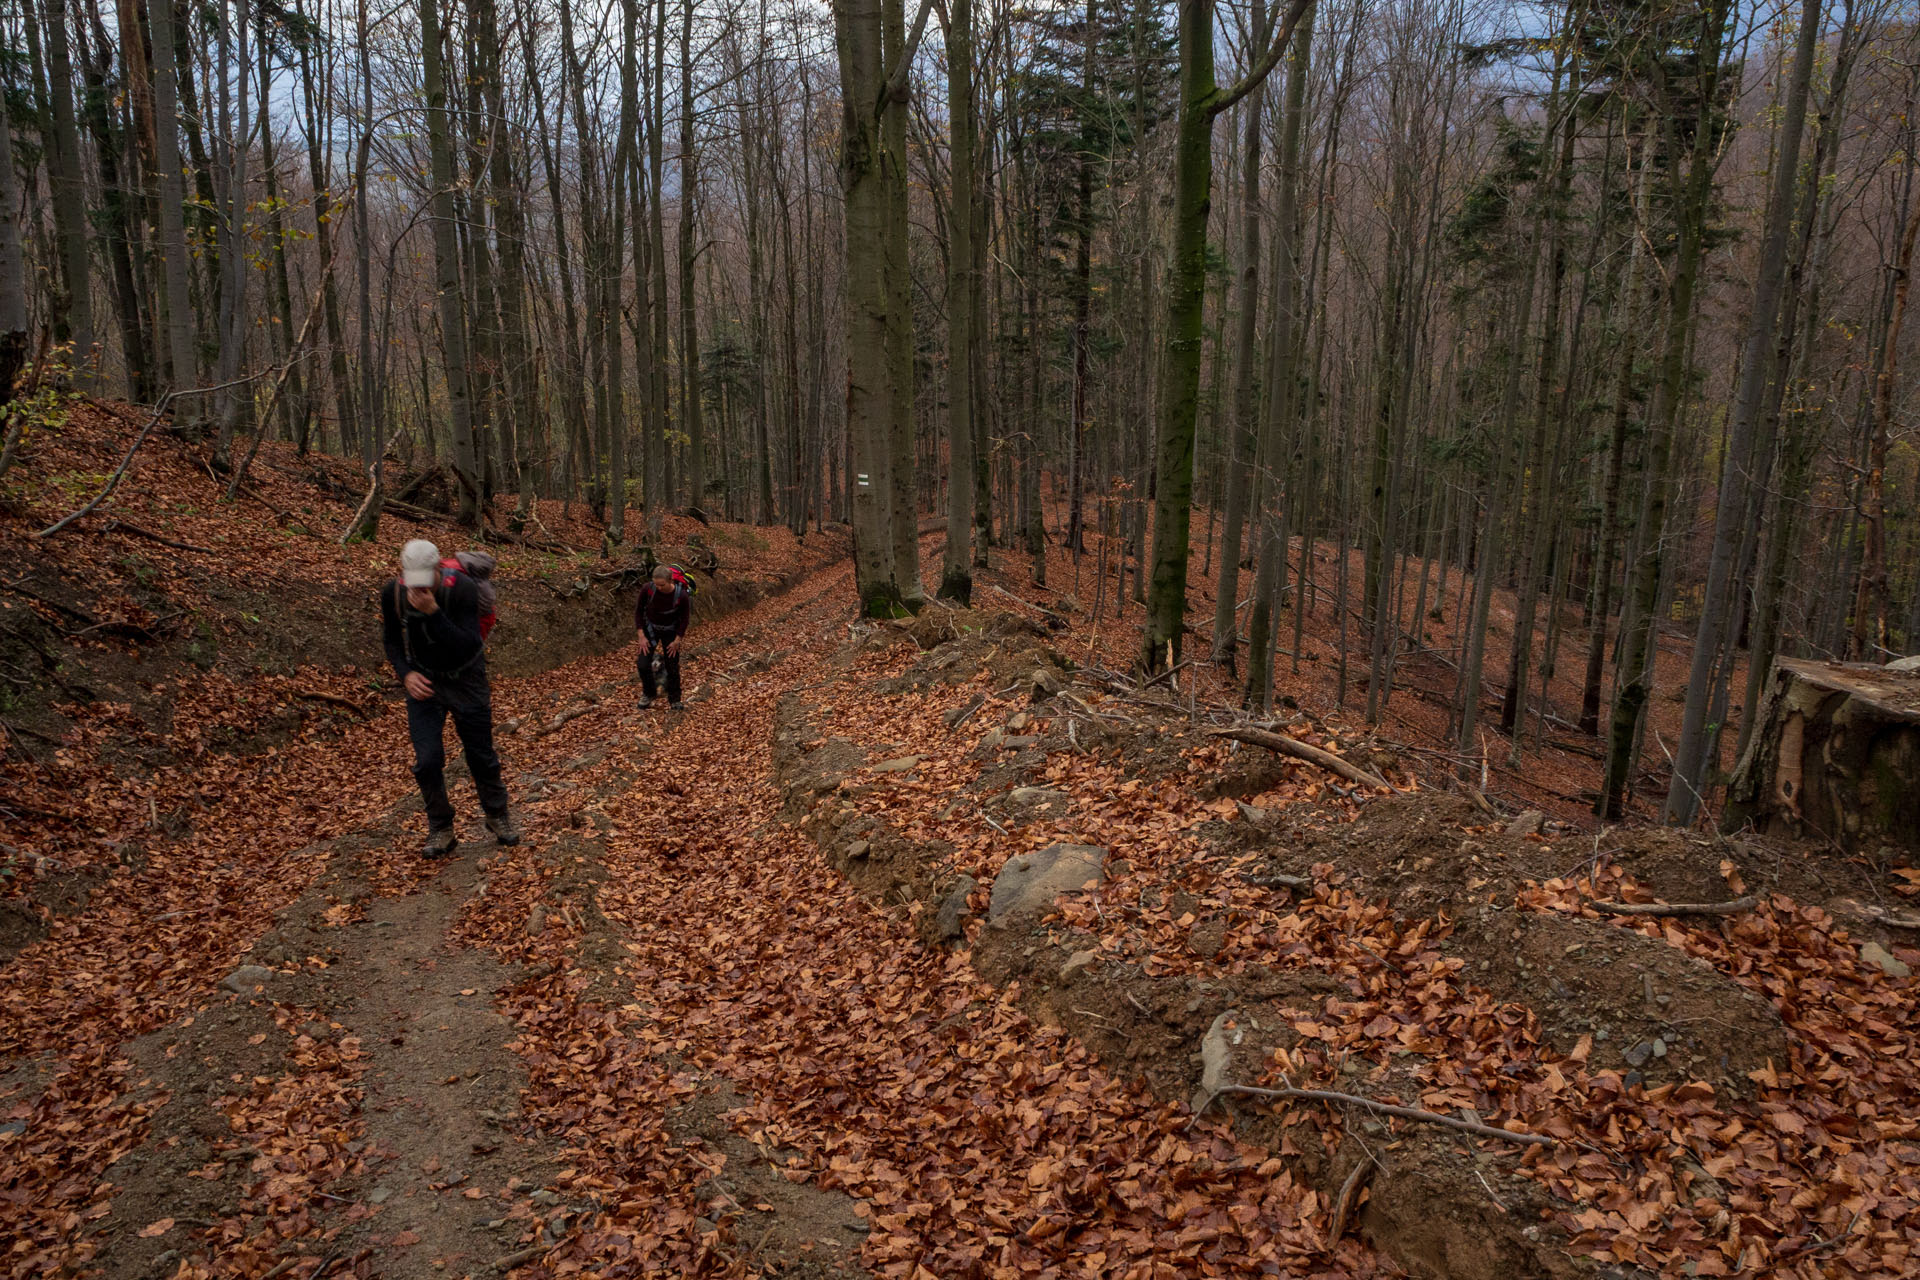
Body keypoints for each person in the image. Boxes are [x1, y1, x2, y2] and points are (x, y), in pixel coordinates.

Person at [381, 539, 522, 856]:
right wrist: (405, 674)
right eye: (411, 579)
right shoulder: (393, 592)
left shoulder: (461, 589)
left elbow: (469, 644)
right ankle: (441, 827)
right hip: (424, 682)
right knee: (427, 760)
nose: (418, 587)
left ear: (439, 569)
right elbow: (391, 640)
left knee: (480, 755)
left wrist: (433, 613)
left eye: (424, 579)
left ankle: (498, 816)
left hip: (466, 678)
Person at [634, 563, 692, 709]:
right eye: (656, 584)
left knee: (672, 666)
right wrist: (641, 635)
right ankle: (649, 693)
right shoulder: (648, 589)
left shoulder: (681, 596)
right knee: (642, 664)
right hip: (650, 629)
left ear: (671, 581)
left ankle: (675, 700)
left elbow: (684, 619)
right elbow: (639, 611)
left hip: (671, 632)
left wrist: (677, 640)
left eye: (662, 585)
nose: (659, 588)